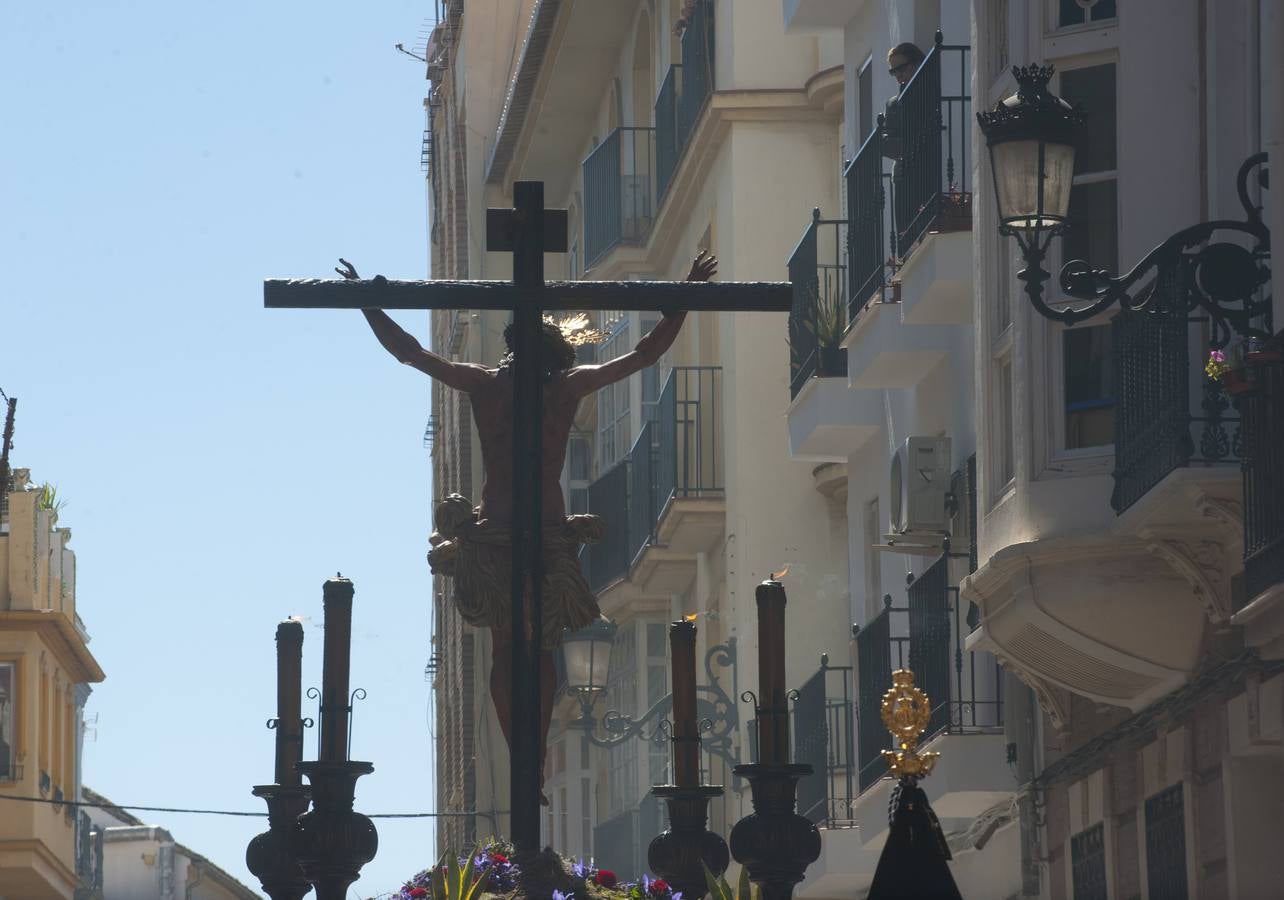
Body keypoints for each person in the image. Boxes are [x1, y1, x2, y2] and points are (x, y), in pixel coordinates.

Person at [345, 250, 718, 798]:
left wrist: (369, 306)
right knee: (537, 648)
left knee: (506, 648)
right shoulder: (563, 388)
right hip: (542, 530)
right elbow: (641, 355)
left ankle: (527, 757)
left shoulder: (485, 384)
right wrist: (682, 300)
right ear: (550, 354)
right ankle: (534, 756)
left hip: (498, 528)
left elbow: (412, 355)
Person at [881, 41, 925, 164]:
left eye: (901, 68)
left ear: (916, 64)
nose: (898, 75)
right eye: (893, 72)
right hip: (903, 175)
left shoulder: (931, 92)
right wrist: (911, 144)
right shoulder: (892, 104)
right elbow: (884, 142)